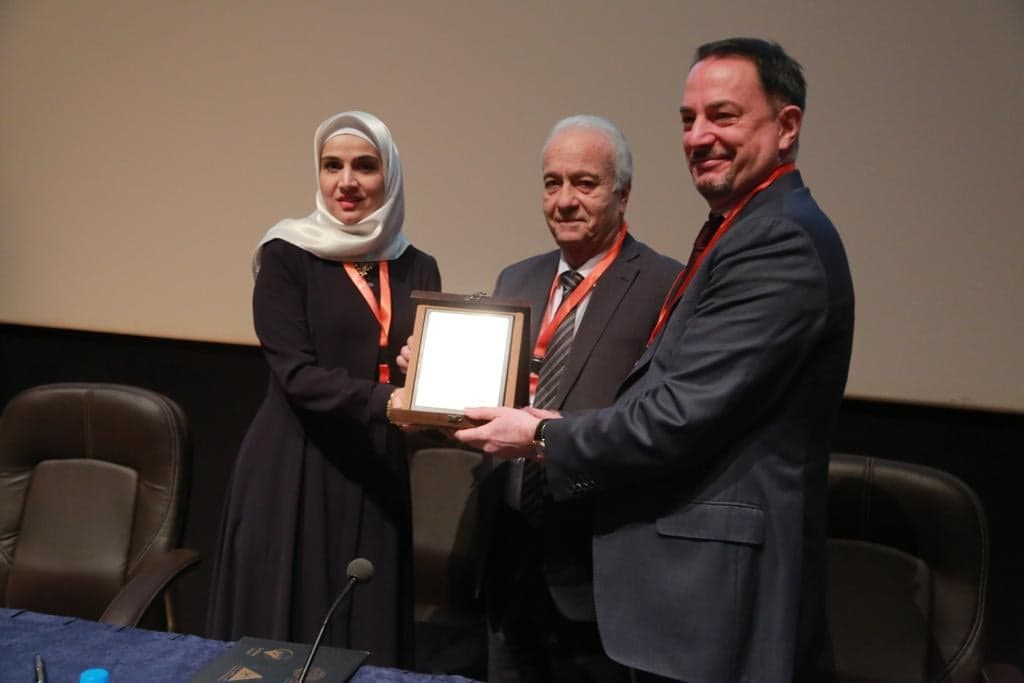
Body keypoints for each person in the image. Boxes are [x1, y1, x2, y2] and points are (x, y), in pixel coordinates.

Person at [454, 38, 855, 682]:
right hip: (585, 577)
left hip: (711, 590)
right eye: (688, 120)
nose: (699, 136)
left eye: (723, 116)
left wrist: (544, 436)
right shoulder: (742, 229)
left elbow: (677, 414)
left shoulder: (776, 239)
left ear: (786, 127)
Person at [207, 110, 440, 669]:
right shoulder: (286, 255)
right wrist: (389, 399)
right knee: (280, 646)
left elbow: (416, 375)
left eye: (365, 166)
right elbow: (295, 374)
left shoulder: (418, 267)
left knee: (366, 639)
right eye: (332, 166)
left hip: (376, 472)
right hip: (295, 468)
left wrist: (419, 371)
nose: (346, 182)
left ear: (390, 175)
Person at [484, 116, 681, 682]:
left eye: (585, 183)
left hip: (599, 573)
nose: (564, 200)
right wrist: (433, 376)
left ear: (623, 193)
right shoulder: (516, 279)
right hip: (508, 566)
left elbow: (661, 422)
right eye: (553, 183)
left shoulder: (666, 285)